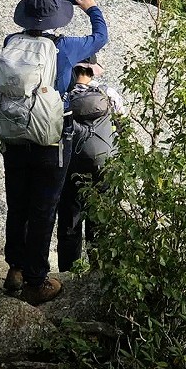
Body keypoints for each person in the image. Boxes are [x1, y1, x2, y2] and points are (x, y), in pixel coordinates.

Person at [0, 0, 106, 304]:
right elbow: (101, 36)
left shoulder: (11, 42)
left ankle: (15, 269)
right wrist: (92, 8)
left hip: (15, 138)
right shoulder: (65, 48)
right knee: (43, 209)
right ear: (56, 20)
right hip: (52, 140)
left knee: (17, 205)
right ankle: (36, 280)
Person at [56, 58, 124, 272]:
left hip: (71, 165)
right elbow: (124, 125)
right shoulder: (108, 94)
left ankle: (68, 271)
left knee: (70, 218)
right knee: (100, 216)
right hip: (103, 165)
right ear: (93, 71)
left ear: (73, 71)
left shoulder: (62, 97)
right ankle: (98, 268)